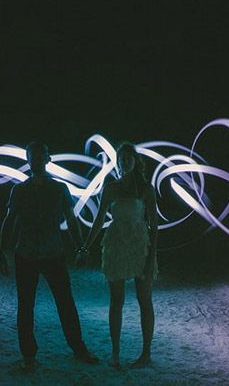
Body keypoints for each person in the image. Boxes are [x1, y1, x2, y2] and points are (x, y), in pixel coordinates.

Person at [0, 141, 99, 372]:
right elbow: (9, 220)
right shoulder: (20, 190)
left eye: (39, 156)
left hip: (51, 253)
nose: (36, 160)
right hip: (28, 254)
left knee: (65, 303)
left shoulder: (58, 189)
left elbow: (72, 220)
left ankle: (77, 348)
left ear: (47, 159)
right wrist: (1, 252)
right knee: (27, 307)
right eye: (32, 156)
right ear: (29, 160)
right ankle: (30, 355)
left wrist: (81, 247)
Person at [77, 142, 158, 369]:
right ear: (118, 162)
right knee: (116, 300)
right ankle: (115, 353)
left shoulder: (146, 189)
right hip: (116, 243)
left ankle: (145, 354)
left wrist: (152, 256)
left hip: (139, 244)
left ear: (135, 161)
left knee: (144, 300)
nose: (125, 162)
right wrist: (85, 246)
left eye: (128, 158)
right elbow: (100, 219)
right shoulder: (111, 187)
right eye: (121, 158)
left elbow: (155, 226)